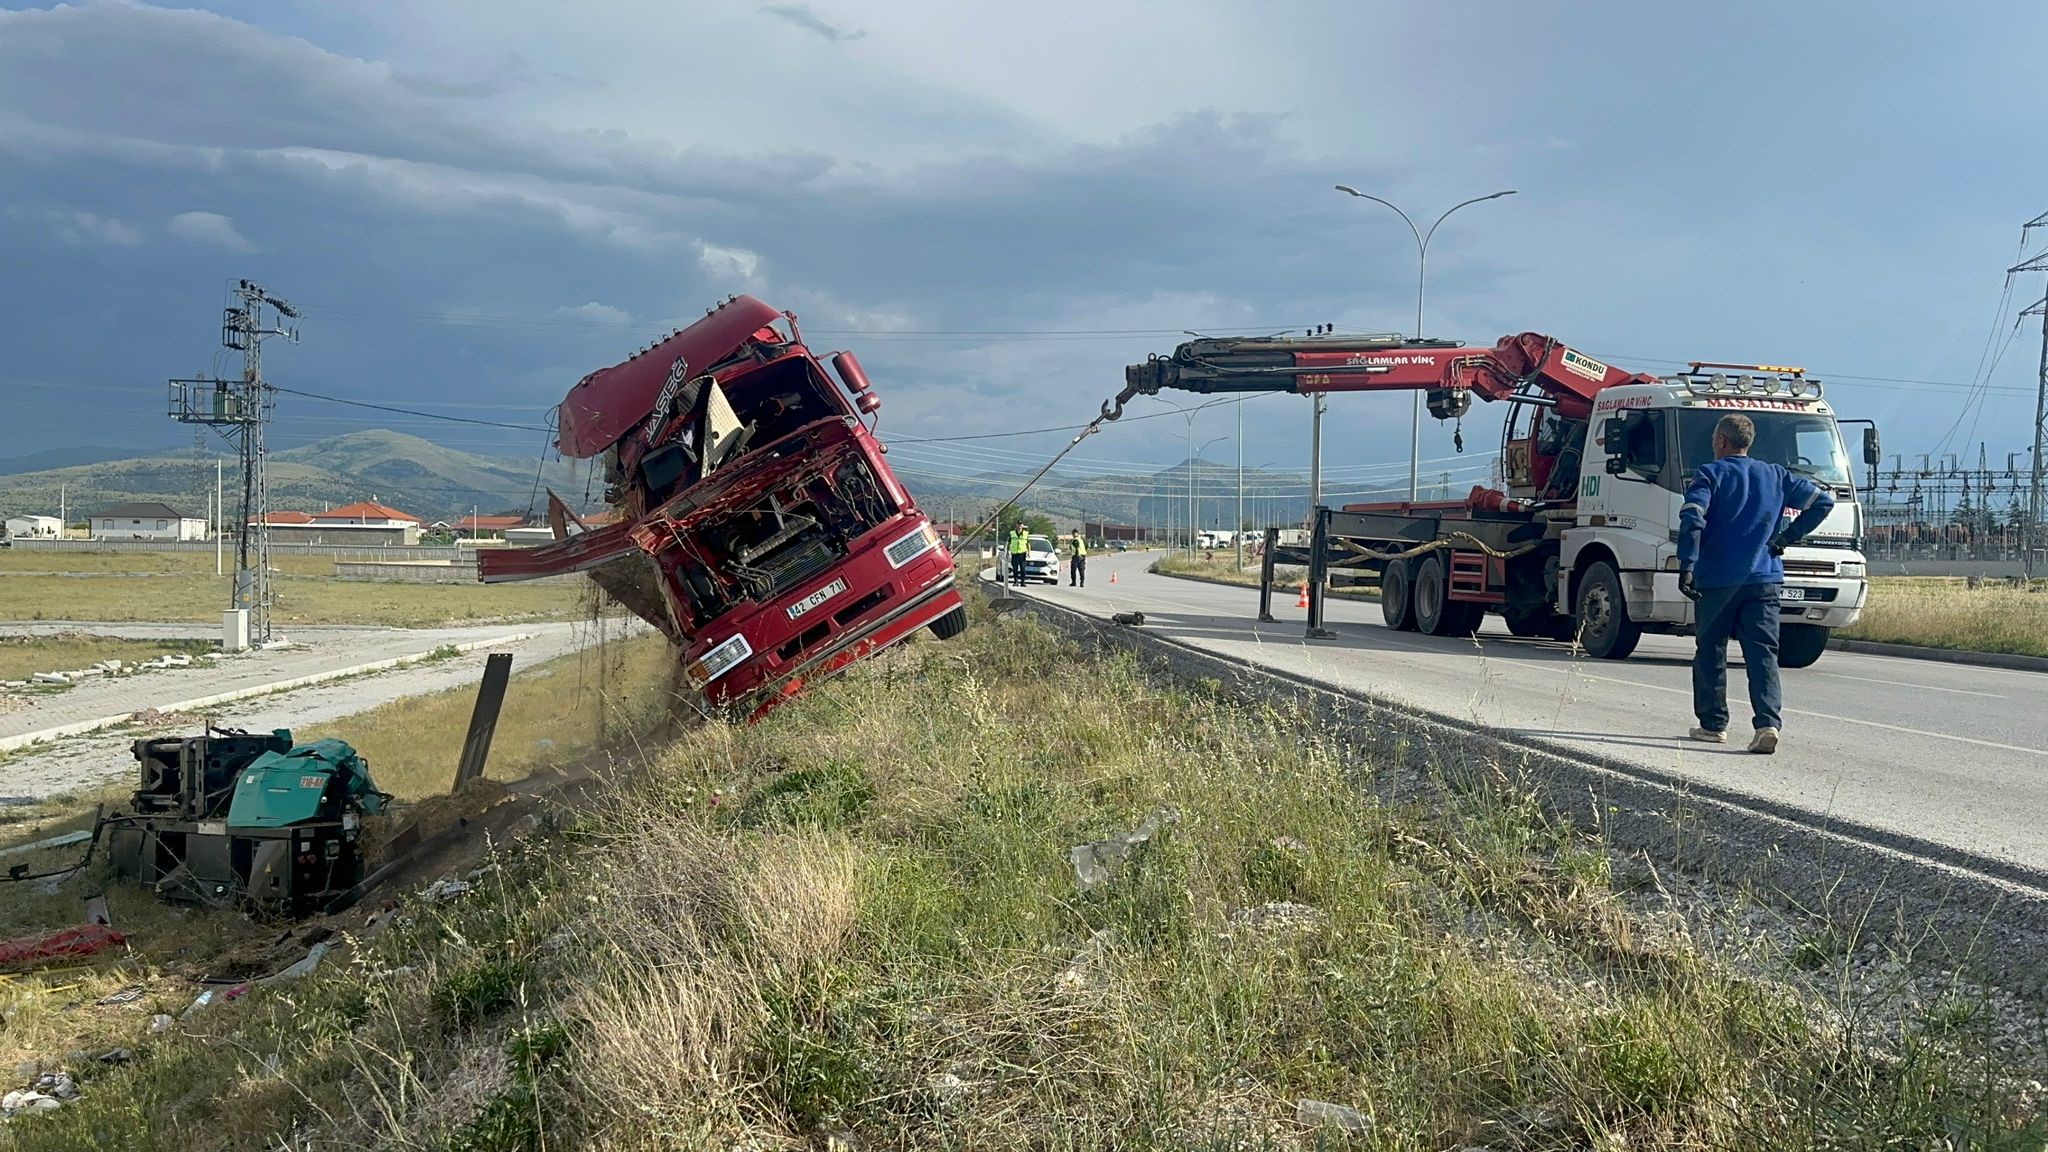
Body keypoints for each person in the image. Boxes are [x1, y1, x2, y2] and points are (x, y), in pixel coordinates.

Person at [1676, 413, 1835, 755]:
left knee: (1711, 652)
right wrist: (1787, 537)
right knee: (1762, 655)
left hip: (1716, 581)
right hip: (1764, 579)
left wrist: (1687, 564)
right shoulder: (1776, 476)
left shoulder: (1709, 474)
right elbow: (1824, 501)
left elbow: (1693, 518)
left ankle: (1713, 725)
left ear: (1720, 441)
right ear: (1748, 442)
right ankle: (1767, 724)